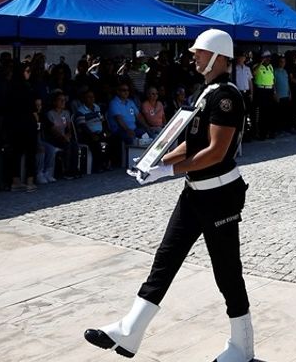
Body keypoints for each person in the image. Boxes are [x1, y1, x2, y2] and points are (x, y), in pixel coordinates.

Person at [85, 29, 253, 362]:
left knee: (227, 271)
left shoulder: (226, 97)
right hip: (195, 193)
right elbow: (190, 143)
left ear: (219, 57)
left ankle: (242, 345)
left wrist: (170, 171)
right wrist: (156, 160)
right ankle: (130, 330)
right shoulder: (206, 92)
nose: (195, 57)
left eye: (200, 53)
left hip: (220, 195)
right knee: (166, 258)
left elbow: (217, 151)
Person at [73, 87, 112, 173]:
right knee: (96, 143)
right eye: (88, 97)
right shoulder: (81, 111)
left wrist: (106, 131)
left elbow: (103, 121)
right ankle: (97, 166)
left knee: (112, 139)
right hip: (87, 134)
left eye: (92, 97)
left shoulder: (97, 107)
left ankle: (106, 163)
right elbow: (82, 126)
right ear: (84, 99)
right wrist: (92, 134)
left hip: (99, 132)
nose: (91, 99)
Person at [41, 90, 77, 182]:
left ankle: (74, 169)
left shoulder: (66, 113)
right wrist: (63, 137)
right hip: (54, 138)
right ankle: (66, 171)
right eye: (60, 100)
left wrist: (68, 135)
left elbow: (69, 127)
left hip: (65, 137)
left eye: (64, 100)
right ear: (54, 102)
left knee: (74, 145)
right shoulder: (50, 114)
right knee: (67, 145)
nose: (63, 102)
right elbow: (53, 130)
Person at [250, 52, 275, 140]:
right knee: (261, 114)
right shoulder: (257, 66)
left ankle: (269, 132)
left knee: (269, 113)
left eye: (269, 58)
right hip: (261, 90)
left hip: (269, 90)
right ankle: (261, 134)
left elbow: (273, 80)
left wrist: (274, 91)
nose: (268, 59)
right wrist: (261, 63)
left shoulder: (270, 67)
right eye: (266, 58)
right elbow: (254, 73)